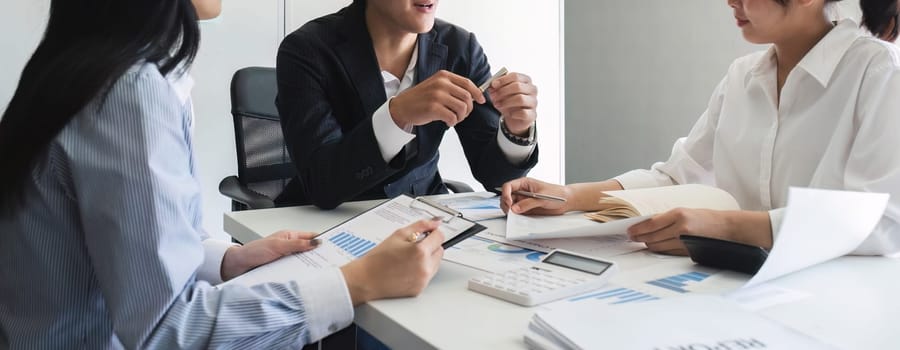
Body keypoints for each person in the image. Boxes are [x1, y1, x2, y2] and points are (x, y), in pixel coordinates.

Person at [0, 0, 445, 348]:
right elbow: (165, 331)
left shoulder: (87, 66)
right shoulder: (132, 94)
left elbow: (120, 246)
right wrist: (359, 283)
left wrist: (227, 260)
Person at [502, 0, 900, 257]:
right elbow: (676, 176)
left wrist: (723, 227)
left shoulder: (880, 71)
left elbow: (884, 222)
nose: (730, 2)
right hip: (739, 288)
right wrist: (569, 196)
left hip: (840, 301)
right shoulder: (743, 75)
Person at [275, 0, 540, 209]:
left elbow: (496, 179)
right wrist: (396, 116)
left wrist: (516, 131)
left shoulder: (460, 47)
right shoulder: (307, 49)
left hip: (423, 219)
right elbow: (322, 184)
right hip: (325, 224)